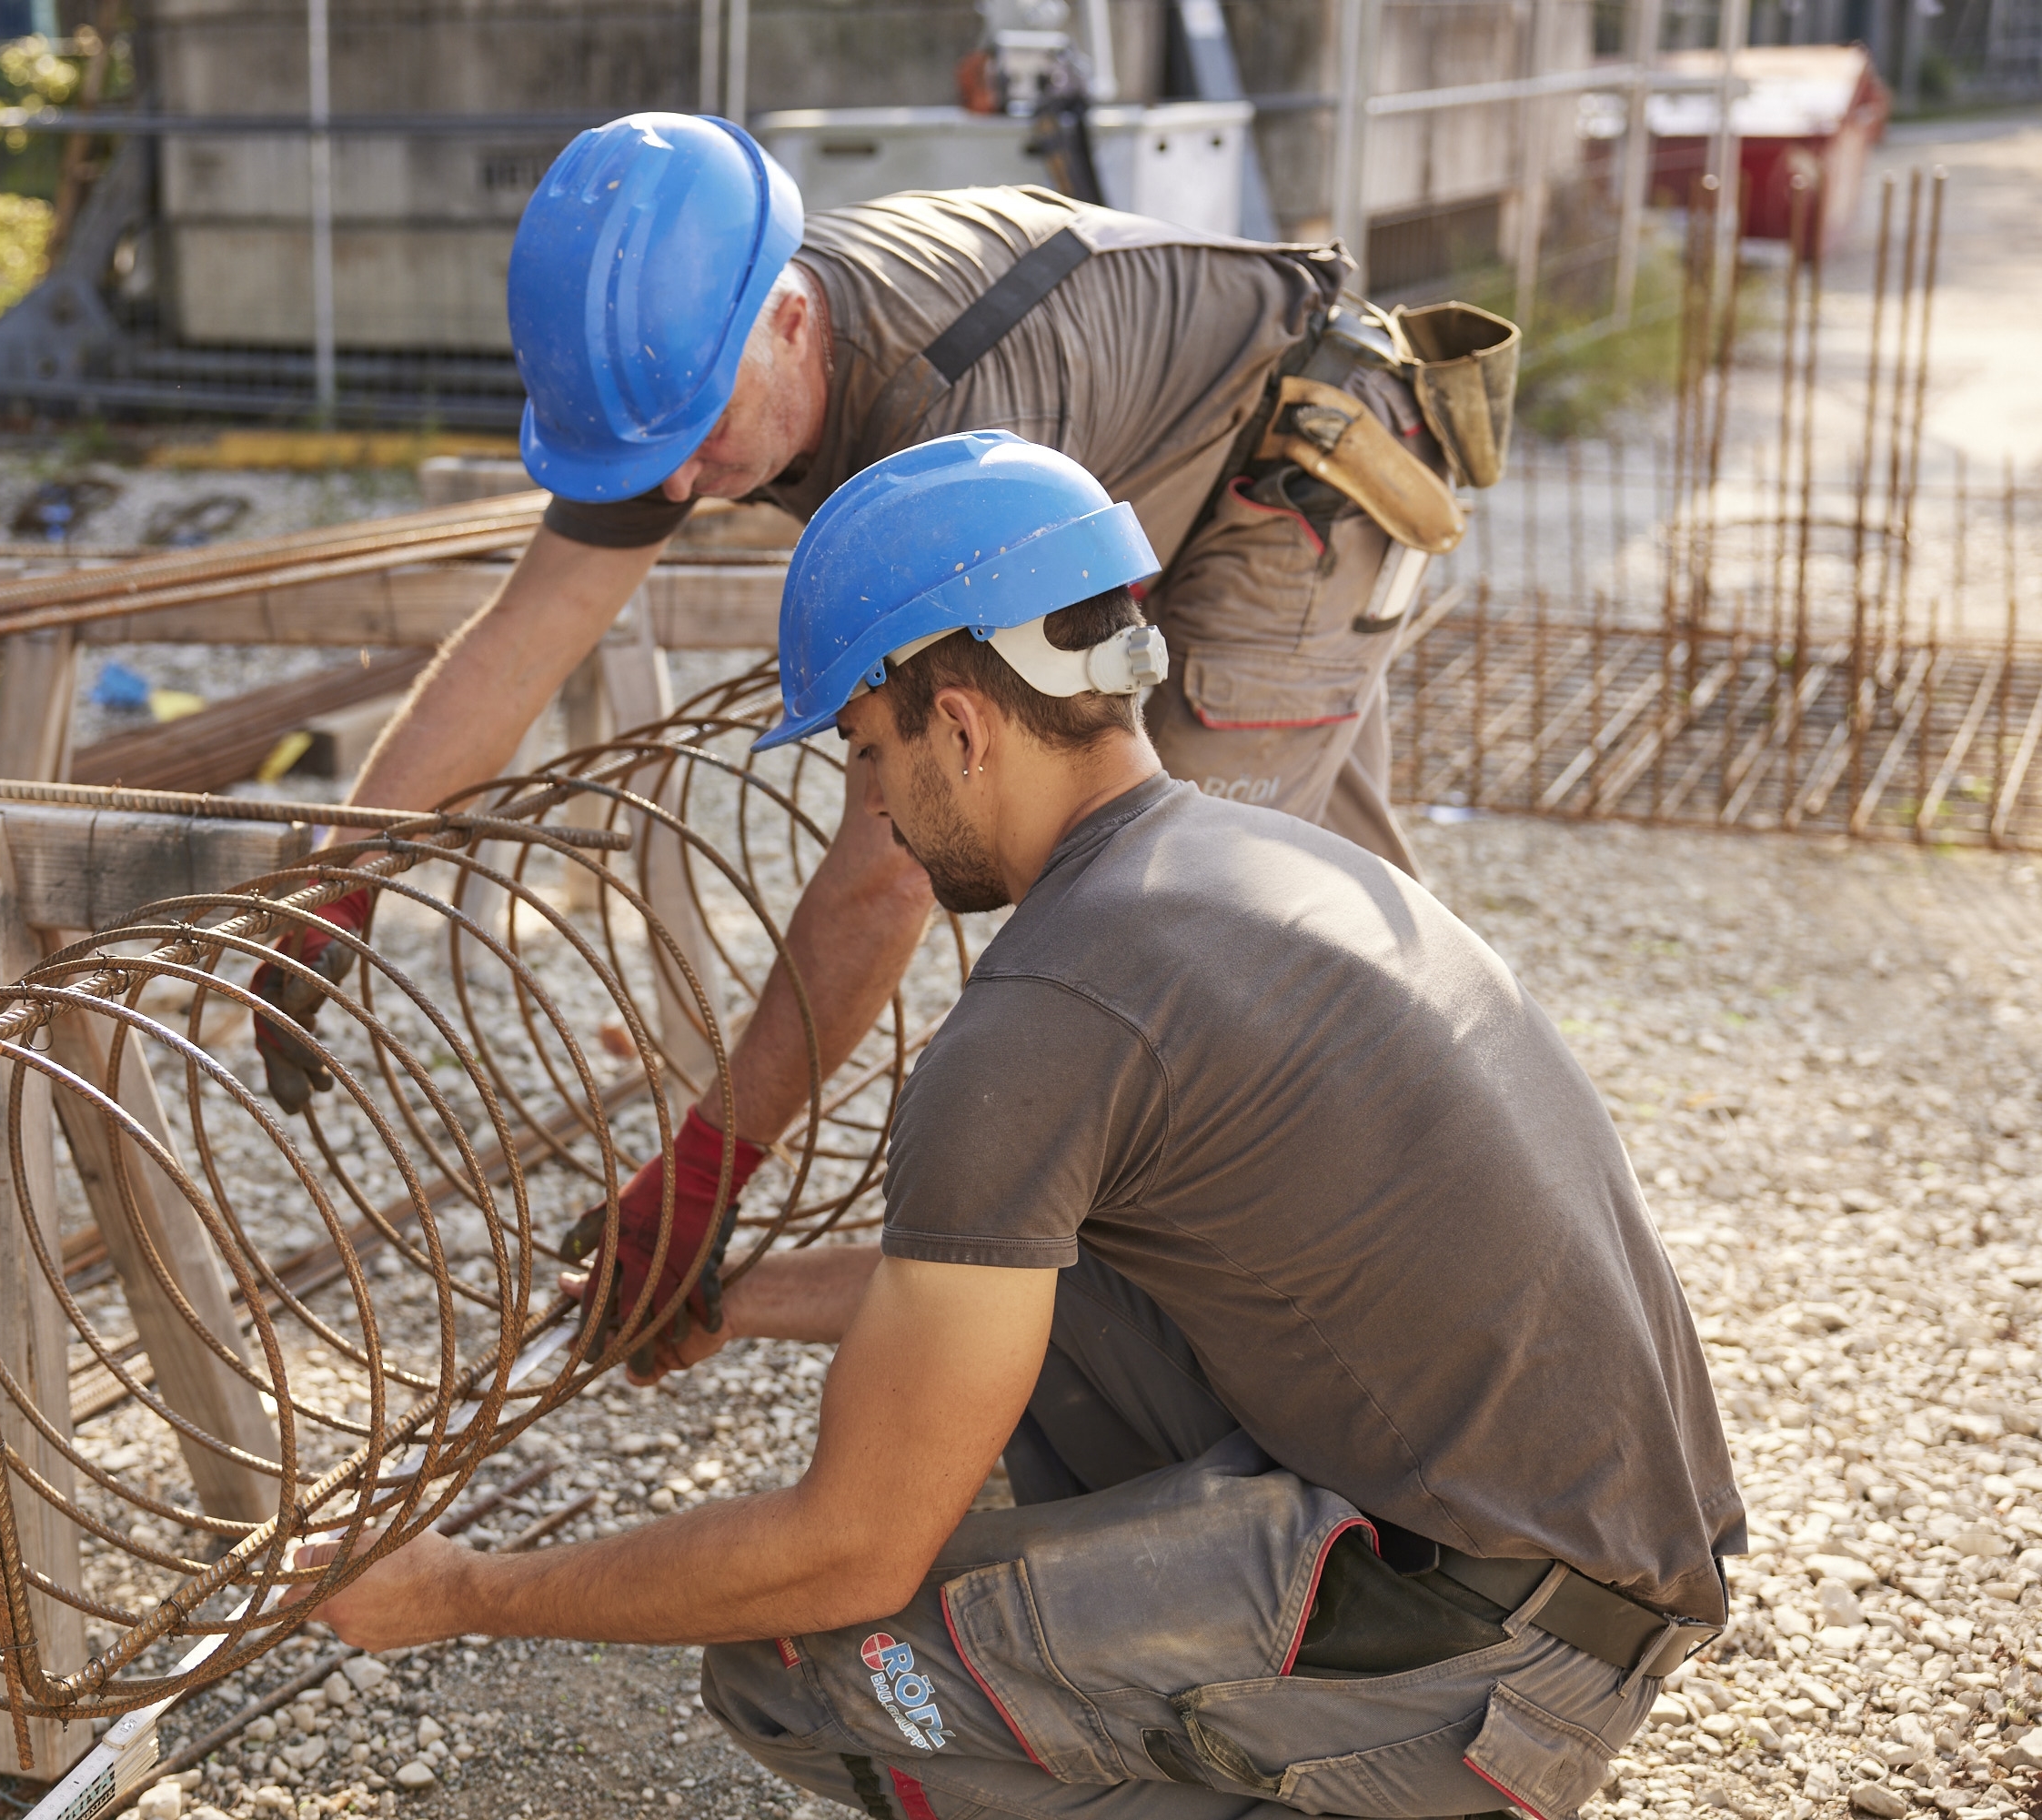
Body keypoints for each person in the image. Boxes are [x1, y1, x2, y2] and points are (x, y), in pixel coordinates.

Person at [307, 433, 1743, 1820]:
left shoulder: (1047, 1010)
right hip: (1595, 1578)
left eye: (866, 752)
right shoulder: (1245, 859)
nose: (871, 804)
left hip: (1490, 1657)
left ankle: (1352, 1780)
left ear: (963, 722)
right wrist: (726, 1300)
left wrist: (462, 1593)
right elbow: (999, 1280)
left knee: (798, 1663)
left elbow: (845, 1548)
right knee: (1048, 1300)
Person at [254, 111, 1503, 1377]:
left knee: (1179, 915)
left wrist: (707, 1165)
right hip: (1127, 455)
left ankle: (1258, 1334)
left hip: (1277, 465)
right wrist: (342, 874)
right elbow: (525, 635)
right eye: (648, 453)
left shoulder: (945, 411)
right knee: (1322, 900)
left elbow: (898, 854)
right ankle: (1462, 1198)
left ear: (791, 319)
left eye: (697, 436)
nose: (676, 489)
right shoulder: (683, 364)